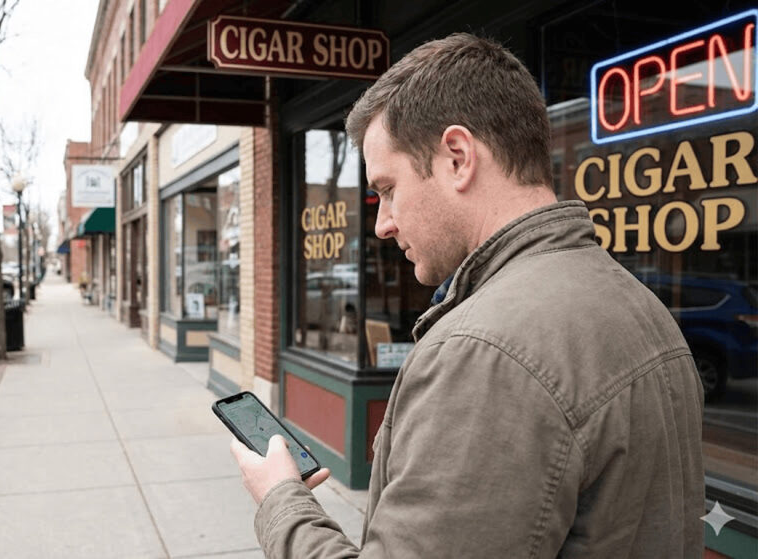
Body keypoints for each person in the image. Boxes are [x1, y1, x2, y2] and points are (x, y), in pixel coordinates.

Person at [230, 33, 704, 557]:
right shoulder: (640, 304)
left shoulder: (484, 353)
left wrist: (281, 500)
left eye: (387, 189)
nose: (382, 224)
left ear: (457, 157)